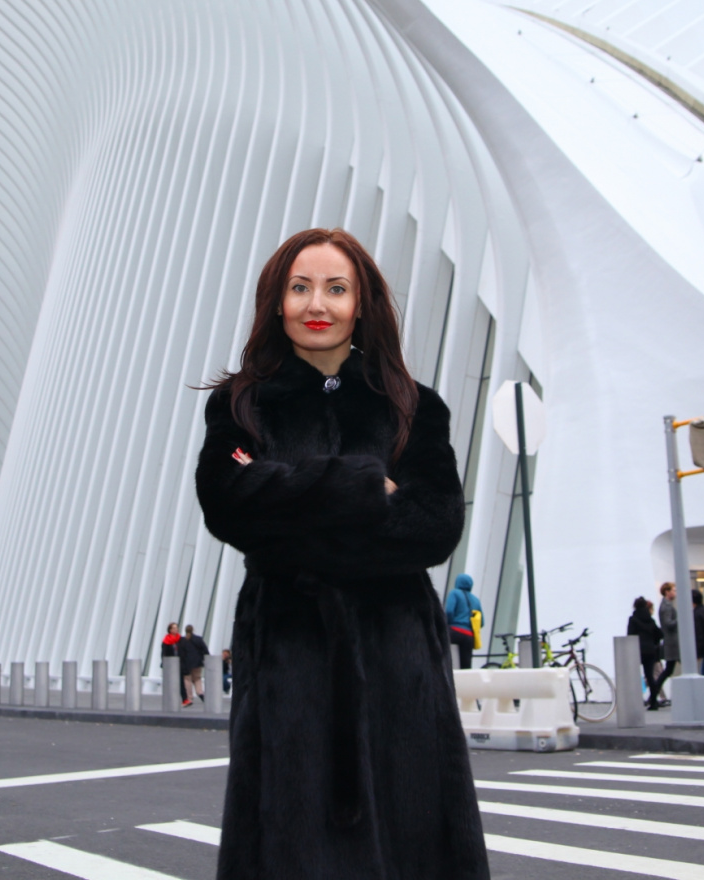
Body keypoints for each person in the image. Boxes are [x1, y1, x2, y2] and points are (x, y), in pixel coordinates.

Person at [194, 227, 488, 878]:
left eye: (335, 288)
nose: (315, 303)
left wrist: (292, 516)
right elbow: (228, 502)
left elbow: (434, 525)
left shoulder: (414, 407)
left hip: (400, 660)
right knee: (295, 836)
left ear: (362, 304)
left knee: (414, 830)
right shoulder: (241, 407)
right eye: (300, 288)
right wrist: (360, 486)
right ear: (277, 301)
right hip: (291, 657)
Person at [627, 597, 663, 710]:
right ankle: (654, 702)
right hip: (650, 651)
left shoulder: (633, 619)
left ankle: (635, 701)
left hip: (636, 650)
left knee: (634, 676)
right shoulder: (650, 620)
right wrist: (653, 643)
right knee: (650, 677)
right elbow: (659, 634)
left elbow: (630, 635)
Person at [444, 574, 482, 669]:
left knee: (444, 655)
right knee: (466, 665)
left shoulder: (454, 593)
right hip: (469, 636)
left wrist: (448, 623)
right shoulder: (476, 600)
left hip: (454, 632)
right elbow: (482, 621)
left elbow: (449, 611)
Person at [655, 582, 679, 707]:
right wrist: (681, 619)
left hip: (672, 642)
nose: (675, 592)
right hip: (673, 642)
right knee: (668, 670)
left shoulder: (666, 605)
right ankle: (653, 695)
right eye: (673, 590)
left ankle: (653, 695)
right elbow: (668, 623)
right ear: (667, 592)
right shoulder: (667, 606)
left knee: (668, 670)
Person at [160, 622, 188, 705]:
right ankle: (170, 699)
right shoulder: (166, 641)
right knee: (171, 681)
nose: (176, 629)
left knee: (181, 681)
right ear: (170, 630)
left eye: (177, 628)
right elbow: (164, 653)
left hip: (179, 663)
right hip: (170, 663)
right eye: (174, 628)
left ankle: (185, 699)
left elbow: (185, 650)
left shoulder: (181, 639)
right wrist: (164, 662)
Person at [181, 625, 209, 705]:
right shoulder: (198, 639)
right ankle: (200, 692)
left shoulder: (183, 640)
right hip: (197, 663)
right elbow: (205, 650)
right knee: (197, 678)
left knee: (187, 679)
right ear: (193, 630)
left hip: (186, 663)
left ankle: (189, 697)